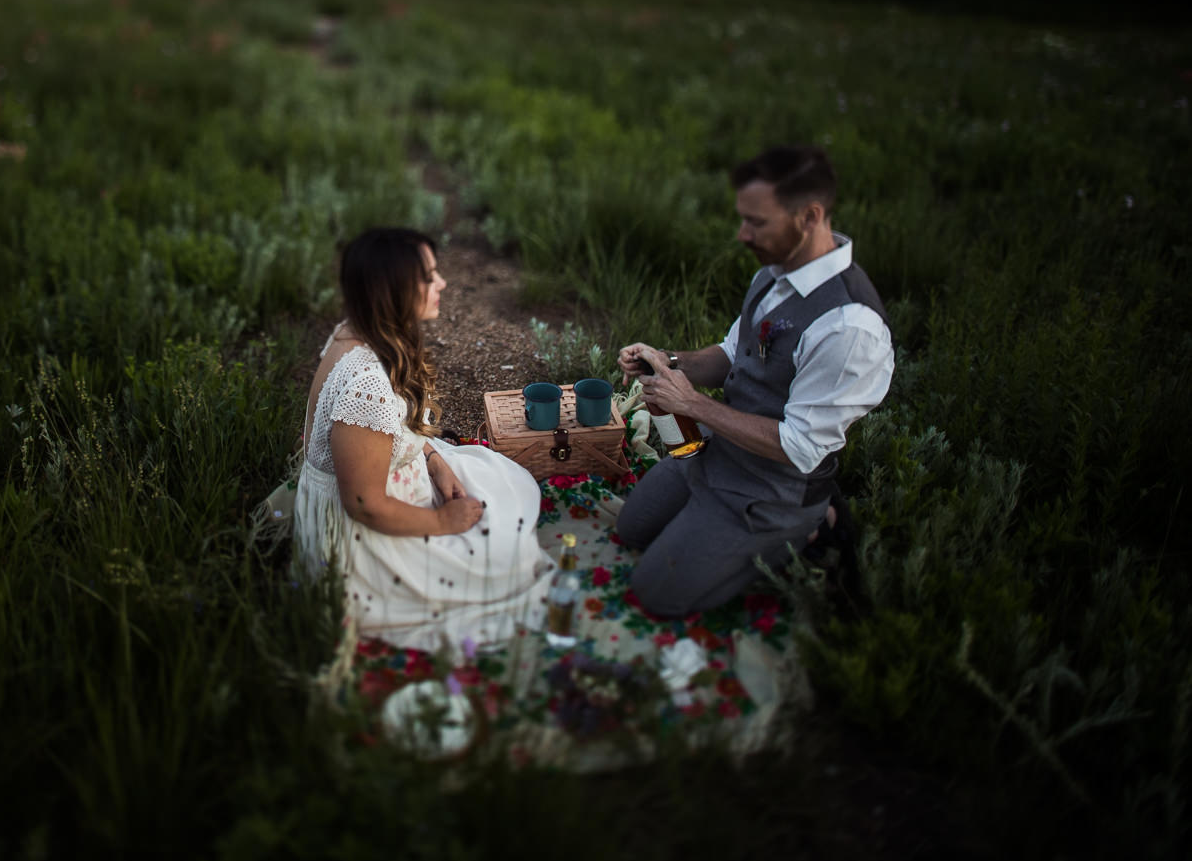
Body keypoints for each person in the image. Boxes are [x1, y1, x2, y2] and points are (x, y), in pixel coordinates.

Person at [615, 145, 893, 617]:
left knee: (654, 594)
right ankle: (708, 526)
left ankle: (812, 528)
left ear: (809, 216)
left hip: (771, 490)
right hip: (716, 454)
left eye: (757, 222)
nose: (743, 234)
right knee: (632, 529)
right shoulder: (775, 273)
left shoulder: (850, 328)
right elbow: (731, 355)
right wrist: (669, 361)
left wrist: (693, 406)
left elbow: (800, 447)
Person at [295, 227, 553, 653]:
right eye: (429, 276)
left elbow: (387, 433)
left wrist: (433, 458)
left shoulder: (357, 330)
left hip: (384, 480)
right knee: (506, 557)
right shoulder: (366, 383)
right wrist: (441, 523)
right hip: (363, 535)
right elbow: (364, 505)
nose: (442, 284)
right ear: (392, 289)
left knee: (501, 483)